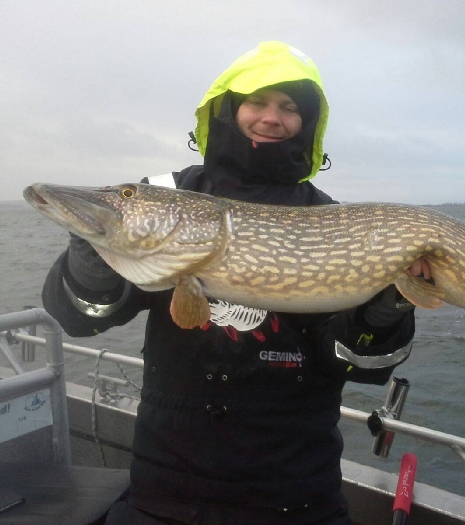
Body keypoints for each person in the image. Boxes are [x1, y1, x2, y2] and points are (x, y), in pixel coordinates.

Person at [41, 41, 431, 524]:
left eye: (289, 107)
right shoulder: (170, 194)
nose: (271, 118)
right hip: (166, 491)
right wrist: (92, 257)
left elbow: (360, 364)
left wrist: (389, 308)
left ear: (307, 123)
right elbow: (81, 319)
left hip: (296, 495)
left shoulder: (331, 221)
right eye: (257, 101)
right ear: (228, 109)